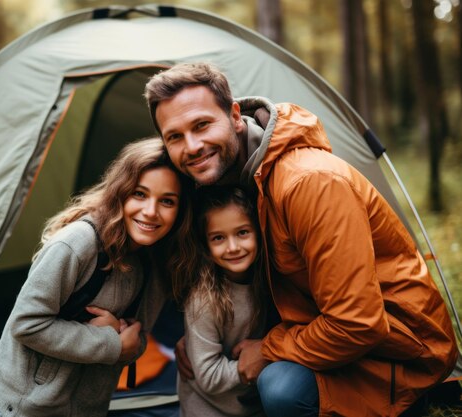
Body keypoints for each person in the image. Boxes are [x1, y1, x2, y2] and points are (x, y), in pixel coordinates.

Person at [144, 62, 458, 416]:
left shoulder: (308, 183)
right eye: (175, 136)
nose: (193, 146)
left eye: (202, 125)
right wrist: (203, 339)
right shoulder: (227, 183)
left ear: (234, 116)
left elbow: (358, 322)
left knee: (281, 388)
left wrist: (268, 348)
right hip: (320, 328)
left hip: (396, 353)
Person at [0, 137, 195, 417]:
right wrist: (110, 341)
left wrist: (125, 339)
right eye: (139, 194)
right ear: (120, 193)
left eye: (167, 201)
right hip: (22, 409)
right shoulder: (77, 244)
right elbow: (25, 323)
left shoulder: (155, 262)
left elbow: (136, 337)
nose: (151, 211)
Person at [177, 185, 266, 417]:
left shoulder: (270, 281)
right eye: (218, 238)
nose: (233, 247)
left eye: (243, 232)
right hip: (209, 409)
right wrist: (256, 363)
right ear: (206, 248)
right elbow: (208, 375)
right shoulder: (203, 300)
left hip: (255, 405)